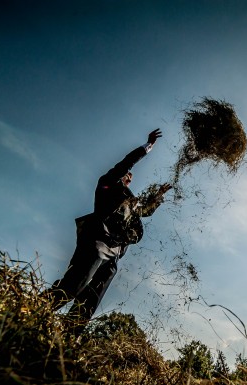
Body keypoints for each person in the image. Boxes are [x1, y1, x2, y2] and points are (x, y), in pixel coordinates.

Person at [44, 128, 172, 334]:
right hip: (97, 240)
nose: (129, 176)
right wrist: (148, 146)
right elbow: (126, 163)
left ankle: (67, 338)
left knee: (92, 298)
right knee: (76, 283)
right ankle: (37, 310)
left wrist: (158, 196)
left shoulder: (131, 202)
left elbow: (146, 211)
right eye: (126, 175)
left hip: (115, 251)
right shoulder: (107, 184)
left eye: (130, 176)